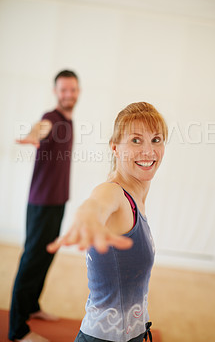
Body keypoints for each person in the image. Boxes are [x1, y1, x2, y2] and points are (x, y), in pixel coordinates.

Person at [47, 101, 168, 342]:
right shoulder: (114, 193)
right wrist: (87, 216)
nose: (148, 151)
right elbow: (98, 203)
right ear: (115, 147)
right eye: (136, 140)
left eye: (156, 139)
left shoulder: (136, 198)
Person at [9, 70, 80, 342]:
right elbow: (41, 128)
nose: (68, 94)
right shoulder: (52, 117)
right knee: (31, 260)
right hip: (41, 204)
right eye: (63, 90)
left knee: (46, 257)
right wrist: (31, 135)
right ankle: (17, 329)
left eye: (72, 90)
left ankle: (32, 307)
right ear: (56, 92)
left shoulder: (69, 120)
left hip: (58, 202)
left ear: (78, 91)